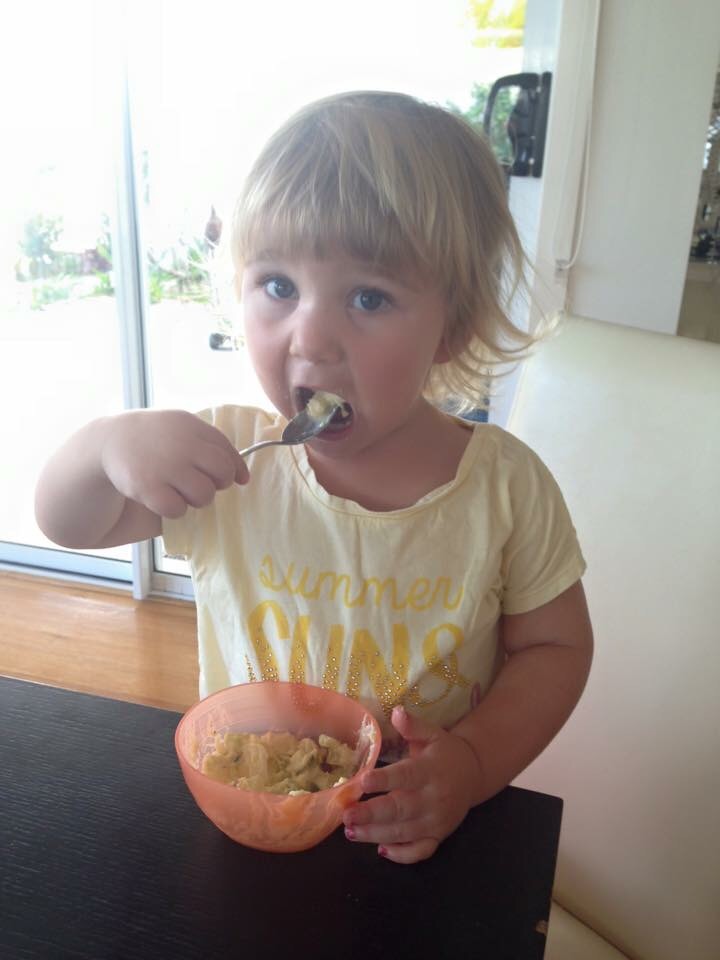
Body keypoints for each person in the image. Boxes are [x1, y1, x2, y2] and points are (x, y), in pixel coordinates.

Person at [35, 91, 593, 864]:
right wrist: (102, 448)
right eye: (278, 286)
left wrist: (470, 766)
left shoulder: (505, 489)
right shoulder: (228, 459)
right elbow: (70, 524)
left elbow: (555, 648)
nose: (311, 337)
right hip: (254, 814)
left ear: (453, 326)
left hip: (416, 821)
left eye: (368, 297)